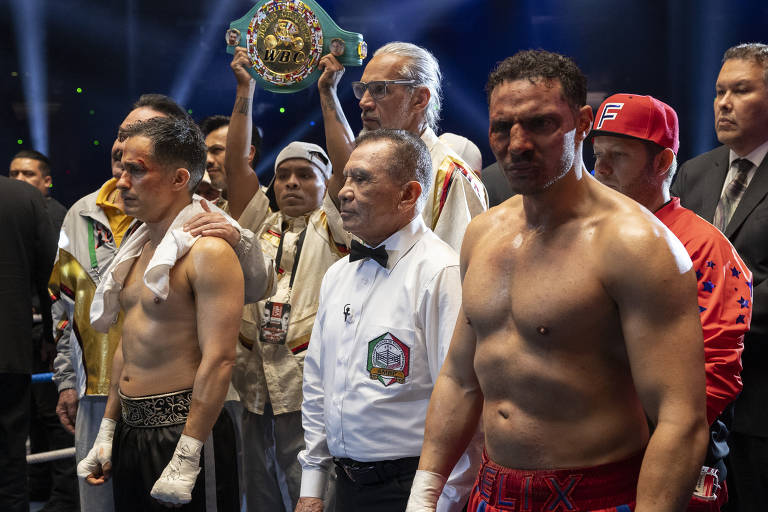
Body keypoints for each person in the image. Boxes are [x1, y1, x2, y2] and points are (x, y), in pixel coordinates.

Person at [406, 50, 708, 512]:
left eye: (541, 124)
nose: (518, 143)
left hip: (598, 494)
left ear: (582, 122)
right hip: (492, 492)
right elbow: (460, 377)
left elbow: (680, 418)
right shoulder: (482, 235)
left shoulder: (636, 244)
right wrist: (424, 495)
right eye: (502, 127)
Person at [50, 94, 269, 512]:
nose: (121, 181)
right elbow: (126, 349)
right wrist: (108, 430)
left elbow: (221, 359)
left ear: (178, 178)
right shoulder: (136, 251)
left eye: (137, 170)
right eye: (121, 168)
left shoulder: (209, 250)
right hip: (133, 426)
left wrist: (187, 455)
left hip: (187, 428)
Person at [186, 47, 347, 511]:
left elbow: (346, 163)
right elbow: (236, 166)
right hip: (256, 385)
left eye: (306, 176)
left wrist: (327, 95)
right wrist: (245, 87)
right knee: (259, 497)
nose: (292, 183)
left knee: (313, 496)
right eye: (284, 176)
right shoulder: (259, 223)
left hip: (309, 391)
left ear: (328, 184)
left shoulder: (335, 226)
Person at [296, 129, 479, 512]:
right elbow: (317, 382)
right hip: (344, 486)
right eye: (346, 177)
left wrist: (437, 502)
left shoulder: (440, 272)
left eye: (361, 179)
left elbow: (464, 398)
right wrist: (312, 485)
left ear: (408, 194)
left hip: (411, 489)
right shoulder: (338, 274)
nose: (344, 190)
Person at [592, 92, 753, 510]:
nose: (600, 168)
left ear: (663, 163)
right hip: (583, 455)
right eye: (597, 153)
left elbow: (714, 375)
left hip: (656, 456)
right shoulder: (580, 233)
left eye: (618, 156)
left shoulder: (703, 247)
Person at [671, 42, 768, 511]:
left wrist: (713, 316)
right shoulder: (693, 172)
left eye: (741, 90)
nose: (724, 103)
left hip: (761, 395)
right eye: (718, 91)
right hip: (696, 394)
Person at [316, 41, 488, 251]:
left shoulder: (451, 176)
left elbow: (458, 274)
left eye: (380, 89)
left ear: (419, 99)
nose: (364, 102)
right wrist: (327, 92)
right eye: (363, 90)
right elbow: (346, 244)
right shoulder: (366, 168)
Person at [0, 175, 56, 512]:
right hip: (10, 351)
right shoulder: (24, 196)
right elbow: (53, 276)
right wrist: (51, 335)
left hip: (12, 350)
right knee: (11, 462)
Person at [198, 113, 262, 219]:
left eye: (217, 150)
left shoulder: (280, 211)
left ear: (248, 153)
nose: (207, 160)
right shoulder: (202, 211)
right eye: (205, 153)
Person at [10, 149, 67, 231]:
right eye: (14, 174)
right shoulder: (9, 208)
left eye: (29, 174)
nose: (19, 179)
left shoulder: (55, 215)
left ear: (47, 181)